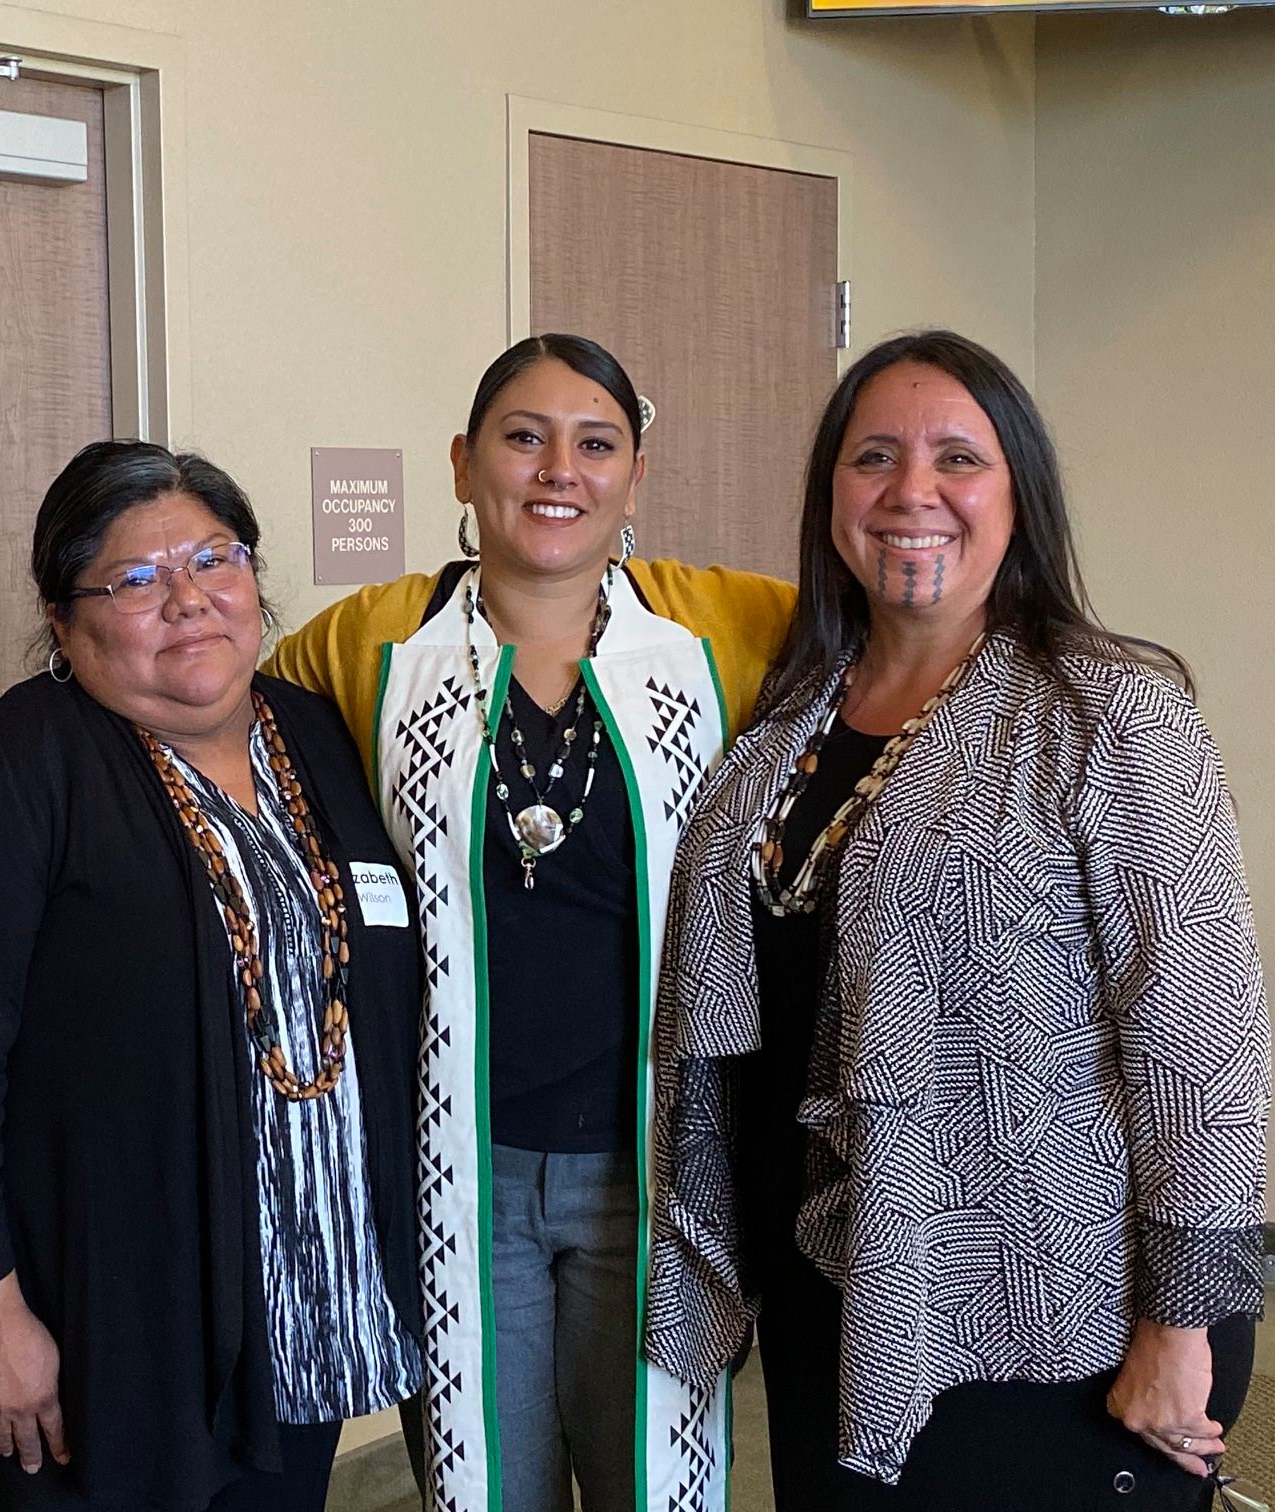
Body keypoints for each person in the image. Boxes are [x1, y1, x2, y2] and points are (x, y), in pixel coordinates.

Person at [646, 330, 1269, 1511]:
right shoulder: (785, 727)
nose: (911, 492)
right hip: (840, 1287)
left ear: (1020, 494)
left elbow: (1202, 1043)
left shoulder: (1110, 717)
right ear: (832, 493)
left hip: (1050, 1320)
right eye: (874, 457)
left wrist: (1184, 1323)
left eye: (957, 459)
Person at [267, 333, 795, 1512]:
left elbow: (901, 655)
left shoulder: (731, 632)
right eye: (524, 437)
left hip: (653, 1172)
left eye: (596, 444)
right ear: (464, 463)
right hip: (461, 1169)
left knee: (654, 1485)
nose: (560, 469)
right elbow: (226, 743)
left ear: (635, 478)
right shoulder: (367, 647)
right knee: (484, 1489)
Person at [0, 440, 425, 1512]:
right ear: (62, 619)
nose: (189, 600)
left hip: (310, 1312)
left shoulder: (318, 736)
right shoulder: (8, 773)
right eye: (136, 580)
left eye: (214, 559)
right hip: (113, 1333)